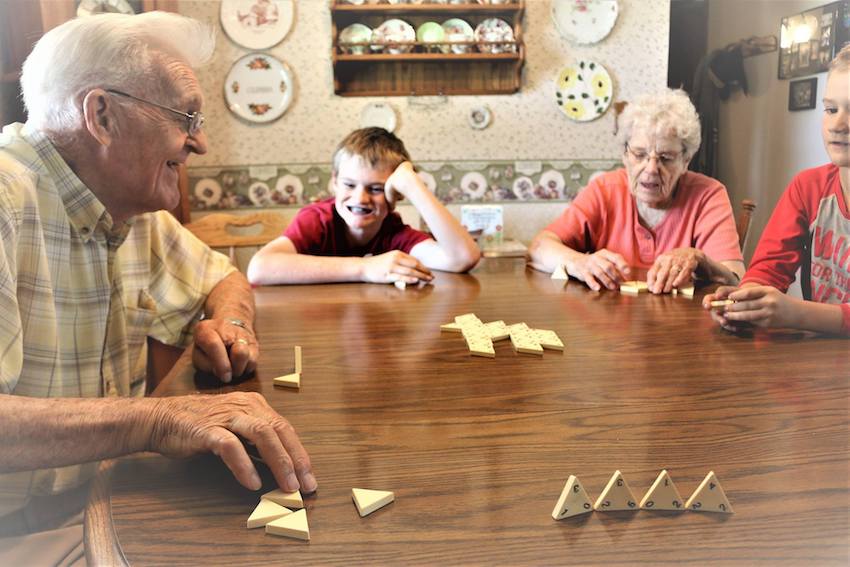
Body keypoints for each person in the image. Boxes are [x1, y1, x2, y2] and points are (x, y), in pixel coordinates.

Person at [0, 12, 315, 562]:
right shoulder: (8, 201)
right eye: (186, 116)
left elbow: (226, 277)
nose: (202, 143)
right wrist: (159, 418)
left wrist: (232, 322)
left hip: (103, 499)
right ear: (101, 114)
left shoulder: (129, 207)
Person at [528, 88, 744, 294]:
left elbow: (733, 278)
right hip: (610, 324)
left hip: (682, 326)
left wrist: (700, 260)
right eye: (639, 154)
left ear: (685, 161)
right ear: (625, 155)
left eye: (666, 158)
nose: (650, 169)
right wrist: (579, 262)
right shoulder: (604, 190)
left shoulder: (708, 195)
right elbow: (539, 248)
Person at [703, 46, 850, 335]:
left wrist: (795, 313)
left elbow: (794, 313)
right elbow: (769, 268)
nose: (837, 124)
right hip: (819, 363)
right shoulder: (808, 187)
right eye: (831, 109)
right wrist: (747, 300)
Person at [246, 127, 480, 286]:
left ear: (396, 194)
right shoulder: (317, 220)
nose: (360, 199)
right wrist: (365, 268)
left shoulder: (393, 232)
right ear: (335, 182)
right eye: (349, 185)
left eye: (376, 189)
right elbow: (259, 268)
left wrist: (413, 186)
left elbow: (462, 258)